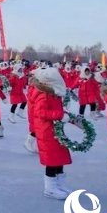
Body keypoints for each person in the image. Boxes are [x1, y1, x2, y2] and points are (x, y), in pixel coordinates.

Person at [28, 68, 74, 200]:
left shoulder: (53, 94)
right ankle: (50, 188)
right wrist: (60, 115)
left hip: (55, 130)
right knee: (52, 159)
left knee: (59, 156)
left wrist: (64, 115)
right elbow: (40, 113)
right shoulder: (43, 95)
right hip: (47, 131)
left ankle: (60, 183)